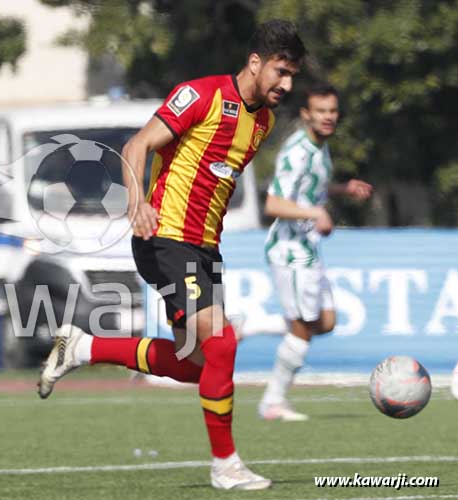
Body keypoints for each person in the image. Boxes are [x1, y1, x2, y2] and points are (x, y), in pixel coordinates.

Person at [38, 19, 306, 490]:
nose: (286, 84)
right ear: (255, 62)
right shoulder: (201, 96)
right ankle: (225, 465)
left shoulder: (262, 122)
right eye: (280, 72)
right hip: (166, 237)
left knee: (195, 364)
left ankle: (81, 347)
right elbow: (136, 144)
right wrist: (136, 204)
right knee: (222, 344)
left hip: (204, 247)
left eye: (292, 76)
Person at [259, 83, 372, 421]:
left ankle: (247, 326)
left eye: (332, 111)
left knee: (325, 322)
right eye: (321, 111)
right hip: (291, 250)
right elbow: (273, 204)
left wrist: (341, 189)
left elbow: (310, 187)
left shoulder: (320, 148)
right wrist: (315, 213)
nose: (328, 117)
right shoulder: (297, 153)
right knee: (303, 328)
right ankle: (273, 402)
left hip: (307, 248)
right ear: (306, 115)